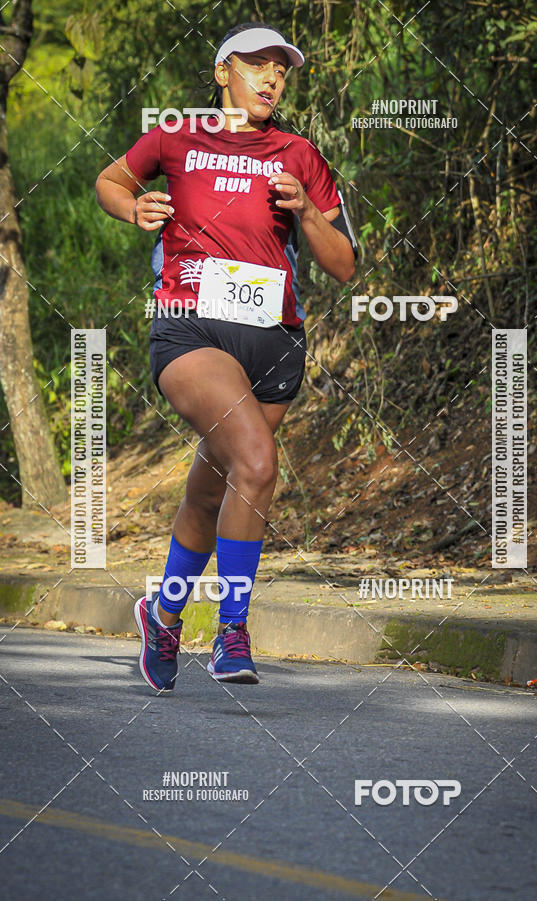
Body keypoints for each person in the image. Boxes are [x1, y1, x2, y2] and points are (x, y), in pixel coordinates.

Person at [95, 22, 358, 692]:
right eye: (257, 65)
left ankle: (163, 613)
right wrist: (134, 209)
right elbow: (110, 179)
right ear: (223, 73)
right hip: (190, 329)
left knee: (216, 484)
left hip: (272, 343)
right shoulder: (176, 135)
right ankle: (231, 629)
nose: (271, 78)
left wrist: (308, 214)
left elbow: (345, 265)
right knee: (258, 461)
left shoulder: (300, 154)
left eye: (282, 70)